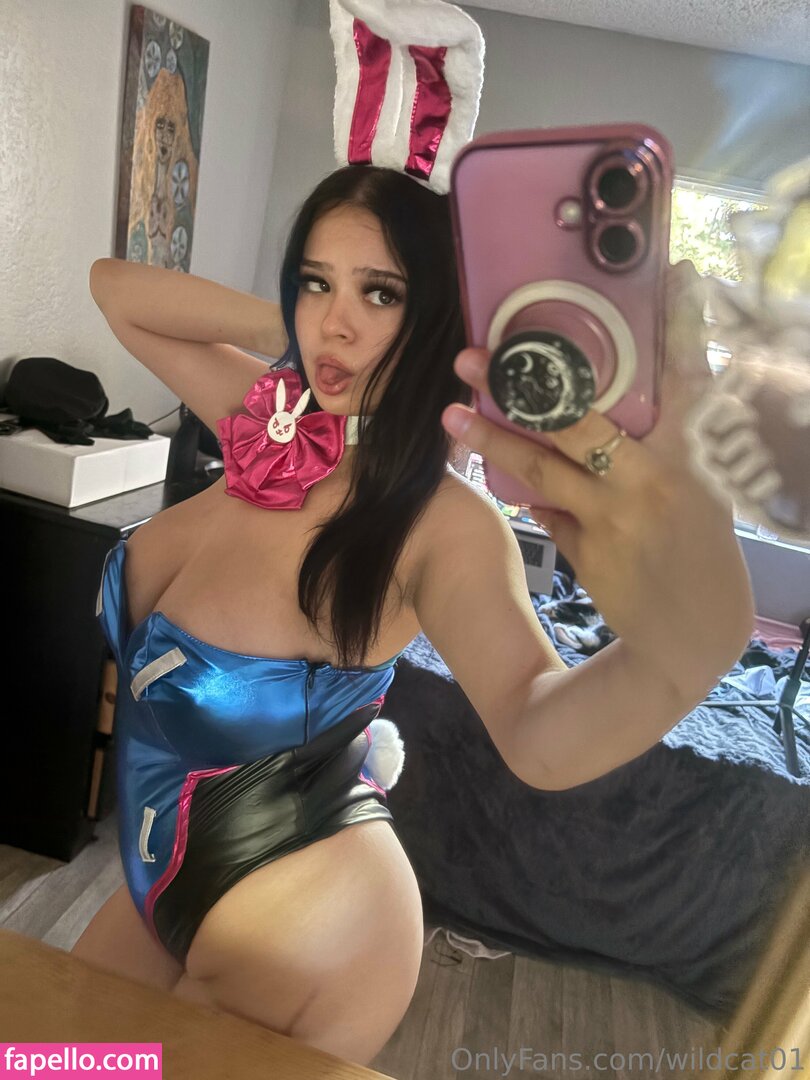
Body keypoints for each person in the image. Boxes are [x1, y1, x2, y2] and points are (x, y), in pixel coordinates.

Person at [72, 162, 754, 1066]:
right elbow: (114, 291)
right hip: (156, 881)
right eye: (316, 279)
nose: (338, 320)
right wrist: (296, 325)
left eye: (382, 292)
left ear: (433, 312)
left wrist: (691, 645)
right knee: (37, 1059)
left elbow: (538, 728)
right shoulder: (267, 424)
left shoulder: (443, 522)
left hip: (309, 928)